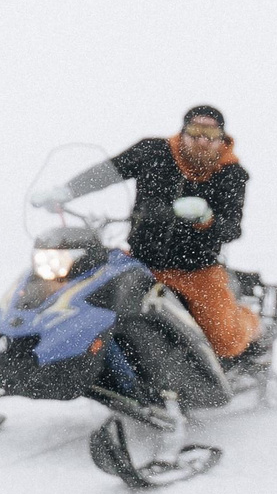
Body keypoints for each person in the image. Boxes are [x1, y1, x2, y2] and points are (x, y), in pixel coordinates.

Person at [32, 105, 261, 363]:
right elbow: (109, 172)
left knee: (225, 341)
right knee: (91, 300)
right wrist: (68, 191)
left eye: (210, 134)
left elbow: (232, 228)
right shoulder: (153, 151)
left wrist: (206, 219)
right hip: (142, 263)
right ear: (183, 132)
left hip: (197, 271)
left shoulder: (230, 174)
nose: (202, 140)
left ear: (221, 138)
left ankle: (251, 321)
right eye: (195, 131)